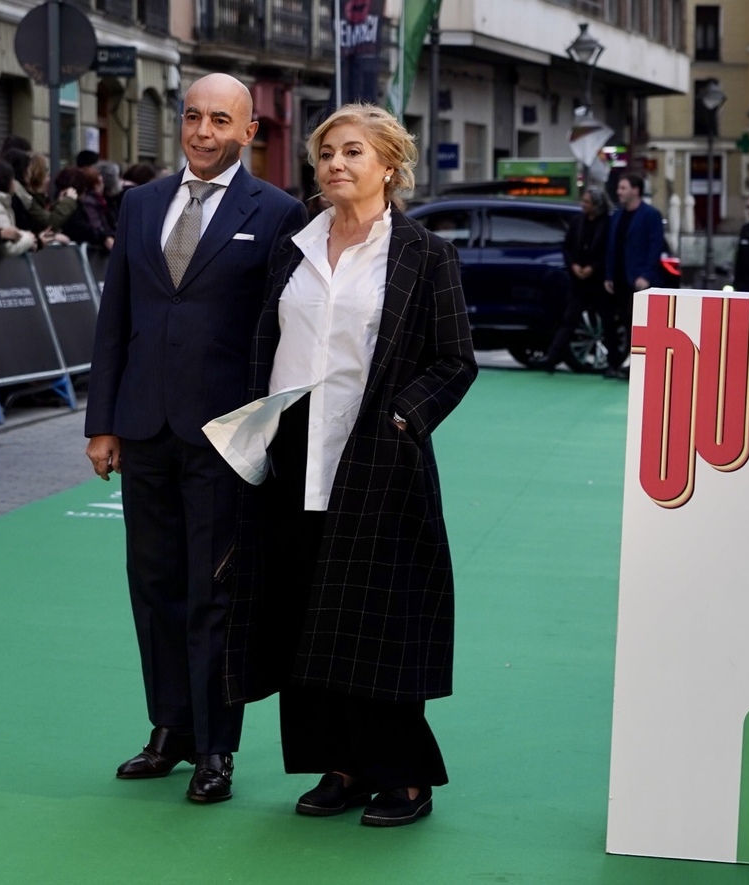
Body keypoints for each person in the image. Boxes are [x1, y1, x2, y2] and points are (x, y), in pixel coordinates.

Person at [227, 103, 477, 827]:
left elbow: (455, 361)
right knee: (305, 610)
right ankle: (337, 765)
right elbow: (264, 341)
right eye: (327, 152)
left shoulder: (424, 253)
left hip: (378, 452)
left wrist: (402, 419)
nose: (336, 164)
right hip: (293, 445)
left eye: (354, 152)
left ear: (389, 166)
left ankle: (402, 775)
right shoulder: (293, 247)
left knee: (378, 615)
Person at [83, 73, 306, 804]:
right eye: (192, 117)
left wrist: (266, 427)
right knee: (152, 587)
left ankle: (216, 746)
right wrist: (103, 422)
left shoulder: (276, 213)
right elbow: (115, 317)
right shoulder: (142, 202)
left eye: (220, 120)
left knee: (215, 593)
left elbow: (282, 330)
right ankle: (169, 730)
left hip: (224, 436)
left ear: (250, 132)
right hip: (143, 427)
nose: (202, 132)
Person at [538, 187, 611, 371]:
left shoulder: (607, 224)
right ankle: (552, 358)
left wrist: (593, 267)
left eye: (587, 202)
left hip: (598, 281)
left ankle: (614, 362)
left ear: (596, 205)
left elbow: (609, 252)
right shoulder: (578, 222)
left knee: (607, 321)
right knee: (569, 320)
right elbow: (567, 247)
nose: (583, 205)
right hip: (578, 282)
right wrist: (574, 266)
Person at [603, 174, 665, 380]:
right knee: (619, 321)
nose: (619, 192)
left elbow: (655, 246)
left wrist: (646, 274)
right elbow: (611, 247)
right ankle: (617, 362)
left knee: (637, 322)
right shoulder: (617, 216)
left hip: (638, 279)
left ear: (635, 190)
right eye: (619, 188)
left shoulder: (650, 215)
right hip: (619, 278)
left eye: (623, 188)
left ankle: (638, 364)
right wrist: (609, 275)